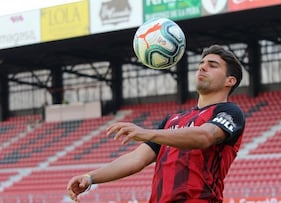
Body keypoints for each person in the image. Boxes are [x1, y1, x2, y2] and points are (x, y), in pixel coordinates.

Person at [67, 44, 246, 203]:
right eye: (201, 64)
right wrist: (90, 178)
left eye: (212, 65)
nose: (202, 67)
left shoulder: (230, 112)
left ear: (230, 81)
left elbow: (205, 136)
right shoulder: (172, 120)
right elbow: (136, 159)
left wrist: (148, 133)